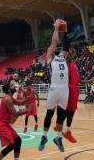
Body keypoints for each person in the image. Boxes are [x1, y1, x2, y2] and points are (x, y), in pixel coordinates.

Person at [38, 19, 70, 152]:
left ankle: (58, 138)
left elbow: (66, 45)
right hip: (55, 87)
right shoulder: (50, 59)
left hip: (65, 89)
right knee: (49, 115)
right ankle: (44, 136)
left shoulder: (63, 56)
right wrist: (56, 28)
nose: (51, 50)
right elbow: (53, 43)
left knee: (61, 115)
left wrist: (65, 31)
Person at [0, 80, 34, 160]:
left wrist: (28, 99)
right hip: (1, 125)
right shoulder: (7, 99)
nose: (15, 86)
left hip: (6, 124)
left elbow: (21, 103)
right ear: (9, 90)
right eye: (12, 86)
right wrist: (27, 110)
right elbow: (15, 114)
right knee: (12, 144)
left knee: (18, 141)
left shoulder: (10, 98)